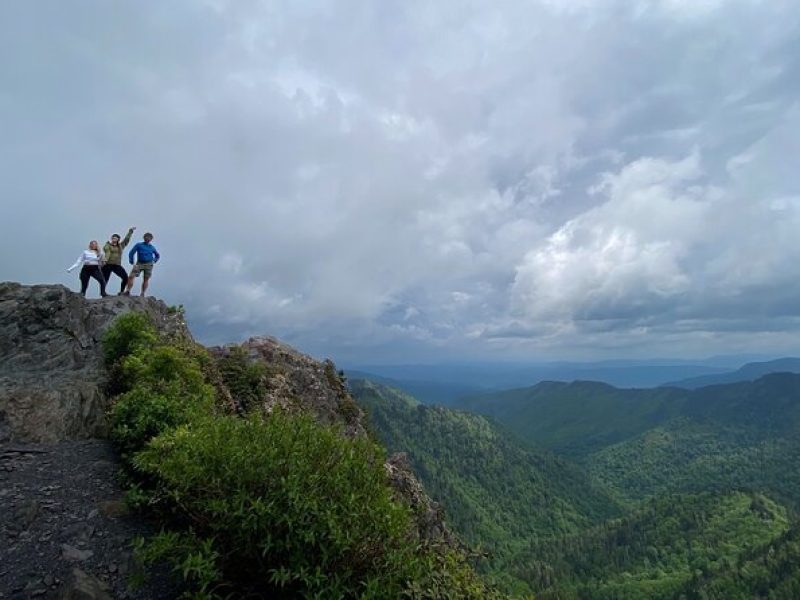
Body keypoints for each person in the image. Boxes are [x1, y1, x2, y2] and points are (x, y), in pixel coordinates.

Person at [124, 232, 160, 297]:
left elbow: (157, 255)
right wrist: (132, 261)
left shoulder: (152, 247)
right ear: (144, 238)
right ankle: (128, 290)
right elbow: (131, 253)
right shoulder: (139, 245)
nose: (147, 239)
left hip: (149, 264)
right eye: (146, 237)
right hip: (139, 263)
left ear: (151, 239)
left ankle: (142, 293)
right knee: (131, 276)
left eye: (149, 238)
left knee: (146, 279)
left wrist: (154, 261)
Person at [102, 227, 136, 295]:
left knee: (125, 277)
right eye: (113, 237)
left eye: (115, 238)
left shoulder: (120, 246)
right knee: (105, 279)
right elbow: (107, 252)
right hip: (108, 264)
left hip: (116, 265)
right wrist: (105, 260)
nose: (114, 238)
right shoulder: (107, 245)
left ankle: (121, 291)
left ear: (118, 239)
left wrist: (130, 231)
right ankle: (103, 292)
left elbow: (126, 240)